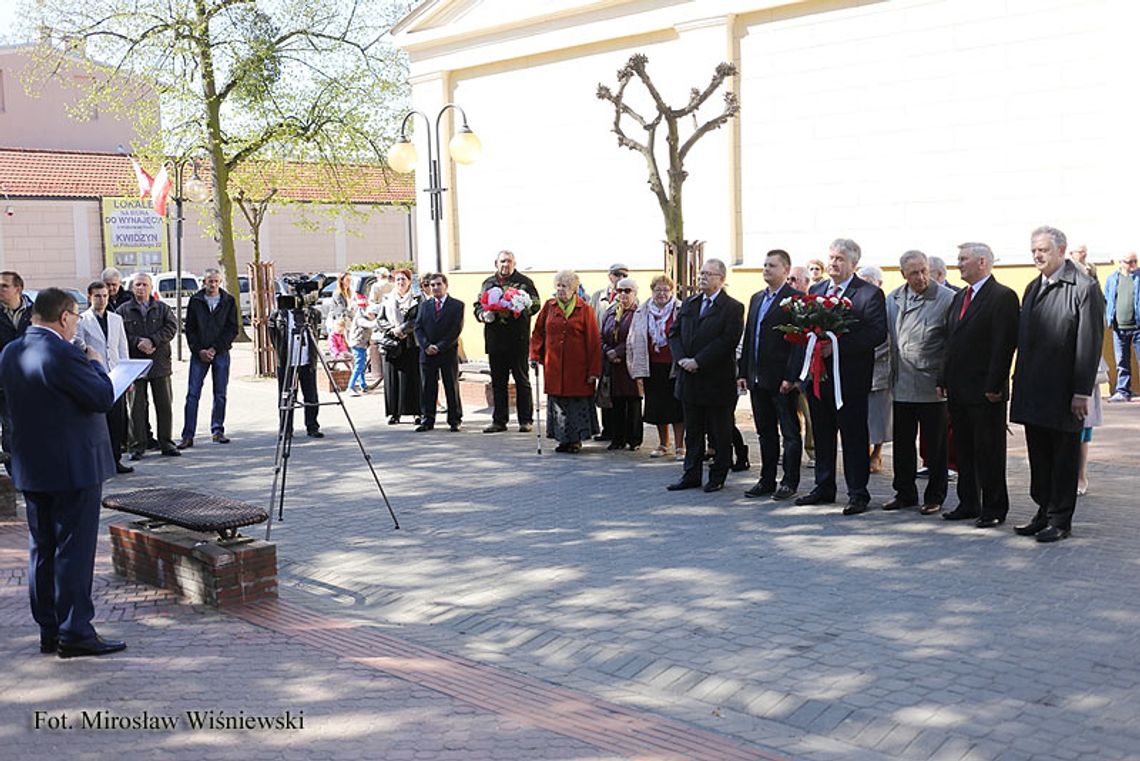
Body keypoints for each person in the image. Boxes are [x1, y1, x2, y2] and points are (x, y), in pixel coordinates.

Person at [0, 288, 126, 658]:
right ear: (66, 317)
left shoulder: (11, 351)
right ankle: (75, 632)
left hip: (31, 465)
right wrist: (96, 361)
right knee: (73, 549)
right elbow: (103, 396)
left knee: (42, 549)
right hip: (74, 468)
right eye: (75, 318)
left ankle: (50, 630)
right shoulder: (65, 353)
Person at [1010, 226, 1105, 542]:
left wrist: (1081, 390)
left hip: (1064, 392)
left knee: (1064, 457)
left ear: (1061, 251)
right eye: (1034, 250)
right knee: (1039, 456)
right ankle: (1043, 511)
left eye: (1043, 250)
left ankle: (1060, 520)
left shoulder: (1083, 287)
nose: (1037, 255)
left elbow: (1089, 342)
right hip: (1033, 389)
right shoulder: (1032, 287)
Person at [796, 239, 888, 514]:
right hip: (819, 378)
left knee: (853, 437)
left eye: (840, 259)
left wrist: (834, 346)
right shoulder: (819, 289)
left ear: (853, 264)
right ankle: (824, 487)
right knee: (822, 434)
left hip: (850, 380)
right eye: (831, 257)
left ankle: (858, 493)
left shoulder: (869, 294)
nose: (833, 263)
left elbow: (875, 333)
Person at [938, 242, 1020, 528]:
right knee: (963, 450)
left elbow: (1004, 345)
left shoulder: (1003, 296)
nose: (958, 264)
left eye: (964, 259)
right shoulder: (960, 297)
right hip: (959, 389)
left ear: (982, 262)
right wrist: (942, 378)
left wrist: (995, 384)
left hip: (986, 391)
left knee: (989, 451)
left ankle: (994, 507)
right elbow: (951, 342)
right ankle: (968, 502)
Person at [884, 250, 954, 515]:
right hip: (901, 382)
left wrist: (945, 377)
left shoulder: (947, 299)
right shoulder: (893, 299)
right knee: (902, 443)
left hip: (932, 385)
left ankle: (935, 495)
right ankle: (904, 493)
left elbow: (952, 344)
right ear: (903, 274)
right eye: (914, 272)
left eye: (924, 270)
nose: (921, 277)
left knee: (935, 445)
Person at [666, 258, 745, 493]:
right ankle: (691, 474)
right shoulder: (690, 303)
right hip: (689, 379)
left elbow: (727, 341)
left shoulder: (732, 307)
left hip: (716, 380)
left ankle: (718, 475)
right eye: (701, 273)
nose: (703, 277)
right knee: (694, 431)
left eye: (709, 274)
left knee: (720, 431)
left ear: (721, 279)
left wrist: (698, 361)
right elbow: (674, 333)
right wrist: (681, 360)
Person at [737, 250, 804, 500]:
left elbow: (798, 342)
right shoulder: (756, 299)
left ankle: (789, 481)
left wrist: (791, 376)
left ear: (786, 270)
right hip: (757, 377)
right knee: (765, 431)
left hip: (781, 380)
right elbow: (750, 334)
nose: (766, 269)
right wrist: (744, 371)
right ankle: (766, 479)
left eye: (772, 266)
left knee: (789, 432)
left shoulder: (796, 299)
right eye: (764, 265)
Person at [530, 270, 602, 453]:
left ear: (574, 289)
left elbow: (593, 341)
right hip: (554, 366)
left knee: (575, 405)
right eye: (559, 286)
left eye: (565, 286)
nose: (561, 290)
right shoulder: (549, 306)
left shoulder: (585, 309)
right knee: (558, 404)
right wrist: (535, 355)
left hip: (577, 367)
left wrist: (594, 370)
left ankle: (575, 440)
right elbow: (538, 333)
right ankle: (562, 440)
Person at [474, 250, 540, 433]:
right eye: (502, 261)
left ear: (514, 263)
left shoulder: (524, 282)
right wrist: (483, 314)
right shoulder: (488, 283)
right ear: (496, 263)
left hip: (517, 340)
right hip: (495, 340)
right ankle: (499, 421)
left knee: (522, 380)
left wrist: (522, 306)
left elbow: (536, 304)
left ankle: (525, 420)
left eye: (509, 261)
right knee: (498, 382)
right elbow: (478, 305)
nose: (506, 265)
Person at [118, 272, 180, 459]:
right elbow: (118, 335)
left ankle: (166, 443)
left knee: (164, 405)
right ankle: (137, 445)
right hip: (135, 366)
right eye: (137, 285)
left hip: (159, 363)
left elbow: (171, 328)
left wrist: (153, 341)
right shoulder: (122, 311)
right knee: (137, 407)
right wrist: (137, 342)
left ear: (151, 287)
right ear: (132, 288)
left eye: (145, 285)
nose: (141, 288)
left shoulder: (162, 308)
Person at [75, 281, 132, 474]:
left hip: (116, 376)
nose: (102, 300)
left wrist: (128, 375)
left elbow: (122, 347)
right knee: (99, 422)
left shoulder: (116, 319)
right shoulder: (82, 320)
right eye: (98, 296)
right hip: (95, 376)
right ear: (90, 297)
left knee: (118, 421)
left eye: (105, 296)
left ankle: (115, 459)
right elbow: (79, 346)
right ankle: (99, 461)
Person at [178, 269, 238, 448]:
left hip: (220, 352)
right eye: (209, 281)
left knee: (220, 393)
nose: (212, 285)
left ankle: (218, 430)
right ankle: (188, 435)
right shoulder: (196, 301)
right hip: (199, 353)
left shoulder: (228, 300)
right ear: (203, 282)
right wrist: (199, 350)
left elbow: (232, 328)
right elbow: (190, 329)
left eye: (216, 281)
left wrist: (215, 348)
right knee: (193, 394)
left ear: (220, 282)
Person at [628, 274, 684, 460]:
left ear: (672, 291)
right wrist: (634, 366)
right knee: (658, 406)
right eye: (657, 290)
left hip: (674, 366)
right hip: (652, 365)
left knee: (677, 407)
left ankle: (680, 446)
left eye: (665, 290)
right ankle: (663, 444)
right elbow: (633, 338)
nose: (661, 294)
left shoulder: (680, 309)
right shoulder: (642, 311)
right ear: (652, 291)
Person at [414, 273, 464, 432]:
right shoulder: (424, 305)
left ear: (445, 285)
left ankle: (454, 419)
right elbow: (418, 327)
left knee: (451, 385)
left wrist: (439, 346)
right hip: (427, 353)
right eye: (432, 285)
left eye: (438, 284)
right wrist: (426, 345)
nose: (435, 288)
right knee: (428, 386)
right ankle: (428, 419)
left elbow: (455, 329)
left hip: (447, 352)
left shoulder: (457, 305)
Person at [268, 298, 324, 439]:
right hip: (287, 361)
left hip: (307, 360)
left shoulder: (310, 314)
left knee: (311, 395)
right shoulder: (278, 314)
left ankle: (312, 426)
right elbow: (273, 335)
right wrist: (281, 352)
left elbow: (316, 330)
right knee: (287, 395)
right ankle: (286, 429)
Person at [600, 277, 642, 450]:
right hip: (613, 365)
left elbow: (636, 337)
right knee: (616, 402)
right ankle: (617, 438)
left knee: (632, 402)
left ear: (635, 293)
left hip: (630, 364)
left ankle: (634, 439)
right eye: (620, 291)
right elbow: (601, 334)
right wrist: (607, 351)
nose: (623, 294)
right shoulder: (610, 312)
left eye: (627, 291)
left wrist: (617, 352)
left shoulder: (639, 313)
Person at [377, 269, 422, 425]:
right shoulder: (387, 298)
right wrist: (392, 330)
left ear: (409, 281)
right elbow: (380, 319)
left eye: (403, 279)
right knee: (392, 379)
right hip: (392, 343)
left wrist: (403, 329)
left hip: (411, 343)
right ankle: (394, 413)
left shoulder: (417, 298)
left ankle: (416, 412)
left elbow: (418, 319)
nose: (400, 283)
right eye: (397, 280)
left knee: (412, 379)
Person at [859, 265, 892, 475]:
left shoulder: (887, 304)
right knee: (861, 415)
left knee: (878, 416)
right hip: (857, 366)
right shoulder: (857, 301)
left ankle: (877, 453)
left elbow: (888, 337)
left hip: (879, 367)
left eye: (871, 280)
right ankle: (864, 452)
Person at [590, 263, 628, 442]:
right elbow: (591, 321)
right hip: (601, 348)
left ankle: (621, 431)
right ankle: (607, 429)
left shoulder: (629, 296)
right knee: (604, 389)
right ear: (610, 276)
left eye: (624, 275)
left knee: (619, 390)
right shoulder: (598, 296)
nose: (621, 277)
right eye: (617, 274)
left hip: (621, 352)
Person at [0, 270, 34, 469]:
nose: (0, 290)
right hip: (4, 384)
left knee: (33, 428)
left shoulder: (34, 313)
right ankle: (17, 475)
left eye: (4, 285)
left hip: (32, 381)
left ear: (18, 288)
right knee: (10, 429)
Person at [1103, 251, 1139, 402]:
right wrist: (1109, 318)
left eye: (1134, 261)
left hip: (1138, 326)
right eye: (1129, 262)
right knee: (1121, 362)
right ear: (1121, 262)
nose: (1132, 265)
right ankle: (1123, 391)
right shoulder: (1112, 279)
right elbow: (1107, 299)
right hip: (1119, 327)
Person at [348, 305, 380, 396]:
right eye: (375, 315)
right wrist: (380, 320)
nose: (375, 317)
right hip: (357, 344)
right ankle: (350, 386)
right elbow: (371, 324)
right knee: (359, 366)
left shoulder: (365, 318)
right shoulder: (360, 319)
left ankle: (363, 385)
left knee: (362, 366)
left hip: (362, 345)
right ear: (370, 313)